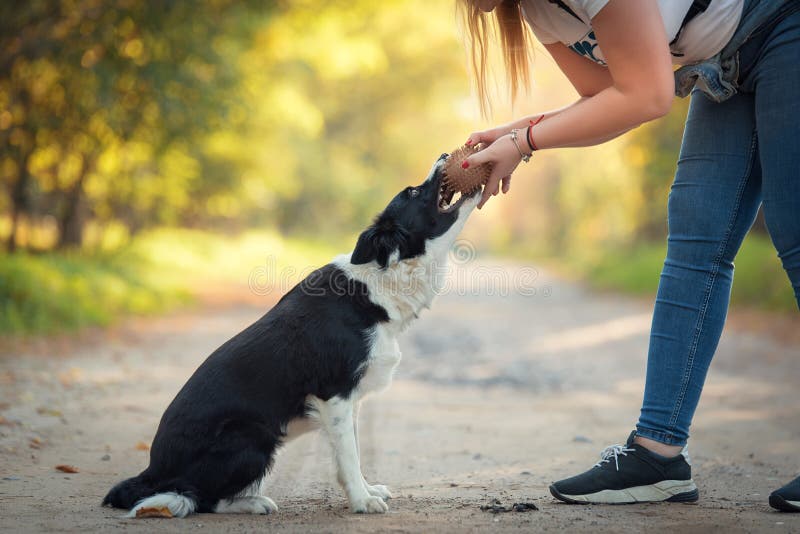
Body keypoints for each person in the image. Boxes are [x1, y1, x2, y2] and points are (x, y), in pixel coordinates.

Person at [457, 0, 800, 511]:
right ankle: (657, 455)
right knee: (695, 238)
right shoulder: (538, 11)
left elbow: (647, 96)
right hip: (726, 57)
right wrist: (515, 136)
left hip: (781, 23)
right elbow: (607, 96)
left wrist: (523, 141)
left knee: (793, 225)